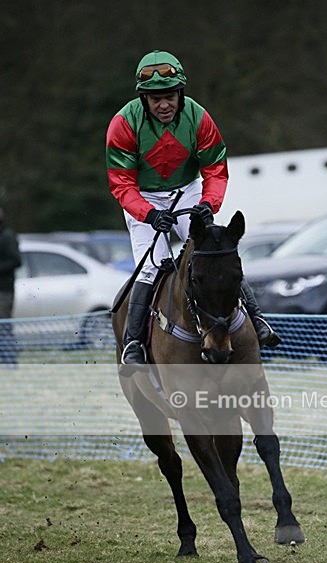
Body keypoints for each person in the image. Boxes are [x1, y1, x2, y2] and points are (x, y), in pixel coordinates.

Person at [106, 49, 280, 366]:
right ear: (143, 98)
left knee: (215, 253)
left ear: (180, 92)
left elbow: (215, 170)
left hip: (188, 190)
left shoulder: (199, 117)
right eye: (155, 98)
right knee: (152, 266)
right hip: (143, 197)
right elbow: (121, 183)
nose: (163, 105)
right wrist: (149, 213)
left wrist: (207, 204)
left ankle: (257, 320)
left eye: (169, 96)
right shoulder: (123, 124)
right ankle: (133, 344)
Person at [0, 206, 22, 365]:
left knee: (4, 326)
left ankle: (9, 361)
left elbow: (16, 261)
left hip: (4, 290)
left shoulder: (7, 236)